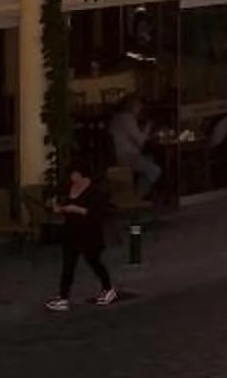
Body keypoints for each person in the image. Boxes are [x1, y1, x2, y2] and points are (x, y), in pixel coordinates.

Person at [47, 166, 117, 311]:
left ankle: (108, 288)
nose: (72, 179)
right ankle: (63, 297)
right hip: (71, 232)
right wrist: (58, 208)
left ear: (81, 174)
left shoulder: (94, 191)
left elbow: (96, 213)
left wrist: (77, 209)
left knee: (94, 261)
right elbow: (63, 204)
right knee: (68, 265)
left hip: (89, 232)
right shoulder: (68, 188)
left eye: (74, 175)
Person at [108, 94, 161, 199]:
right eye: (138, 105)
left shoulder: (116, 117)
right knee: (155, 170)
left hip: (120, 155)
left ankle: (139, 191)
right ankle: (137, 196)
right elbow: (141, 141)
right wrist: (148, 127)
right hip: (127, 157)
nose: (140, 108)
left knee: (151, 159)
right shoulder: (128, 119)